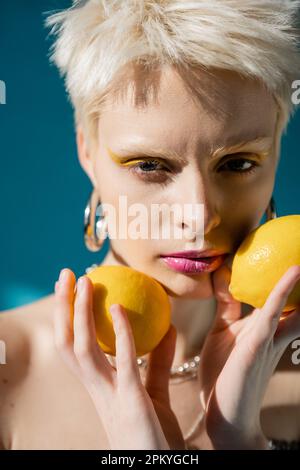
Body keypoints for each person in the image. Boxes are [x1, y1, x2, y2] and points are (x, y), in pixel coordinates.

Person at [1, 0, 300, 450]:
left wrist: (241, 440)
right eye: (150, 165)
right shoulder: (10, 371)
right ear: (87, 152)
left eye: (237, 163)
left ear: (275, 155)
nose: (198, 215)